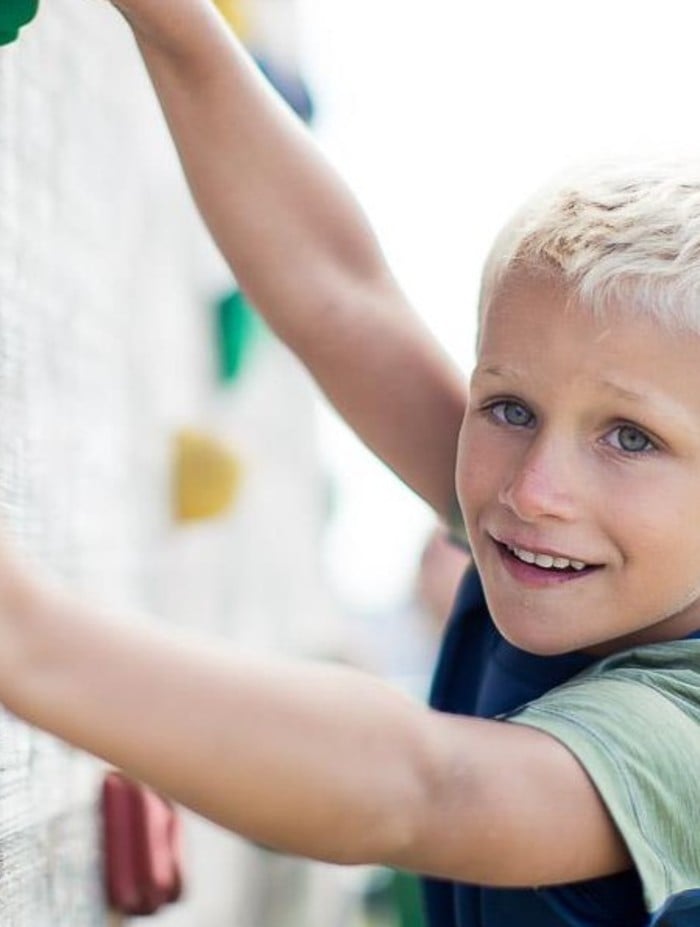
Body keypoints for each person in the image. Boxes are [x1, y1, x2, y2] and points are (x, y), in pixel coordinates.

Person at [1, 2, 699, 924]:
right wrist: (174, 26)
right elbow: (341, 297)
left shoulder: (680, 727)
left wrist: (24, 637)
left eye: (632, 437)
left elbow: (422, 789)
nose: (533, 487)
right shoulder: (580, 545)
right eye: (509, 407)